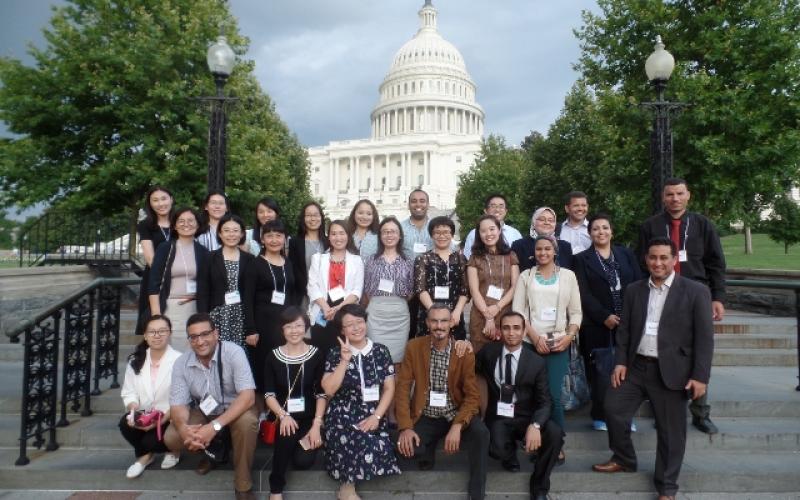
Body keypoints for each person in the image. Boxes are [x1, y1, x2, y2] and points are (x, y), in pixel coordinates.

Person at [592, 237, 714, 500]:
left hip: (672, 371)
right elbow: (624, 331)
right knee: (613, 408)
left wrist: (700, 377)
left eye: (663, 258)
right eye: (652, 258)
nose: (657, 263)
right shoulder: (635, 290)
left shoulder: (695, 292)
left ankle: (667, 488)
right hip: (636, 367)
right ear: (646, 260)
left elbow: (705, 339)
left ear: (673, 261)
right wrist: (621, 362)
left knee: (671, 433)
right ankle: (624, 458)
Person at [637, 177, 726, 435]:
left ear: (688, 195)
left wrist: (718, 297)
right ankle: (662, 408)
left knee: (698, 351)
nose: (674, 199)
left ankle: (700, 411)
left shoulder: (703, 226)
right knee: (662, 351)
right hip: (660, 294)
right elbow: (640, 262)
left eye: (679, 194)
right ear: (663, 198)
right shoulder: (650, 226)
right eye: (669, 194)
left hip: (695, 296)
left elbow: (716, 264)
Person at [395, 303, 490, 500]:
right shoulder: (414, 347)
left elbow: (473, 397)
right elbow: (402, 389)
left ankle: (477, 491)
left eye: (444, 321)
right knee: (407, 449)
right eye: (435, 321)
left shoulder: (463, 351)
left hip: (454, 411)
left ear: (451, 323)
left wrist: (457, 426)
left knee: (481, 433)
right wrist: (405, 427)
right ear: (427, 323)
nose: (439, 326)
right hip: (427, 414)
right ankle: (427, 447)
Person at [165, 313, 259, 500]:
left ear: (216, 334)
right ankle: (213, 453)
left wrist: (214, 427)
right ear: (189, 340)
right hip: (205, 410)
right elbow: (178, 406)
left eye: (205, 334)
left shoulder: (233, 352)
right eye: (194, 337)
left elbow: (248, 397)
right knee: (172, 437)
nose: (200, 341)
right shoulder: (181, 363)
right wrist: (184, 429)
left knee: (247, 422)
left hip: (237, 408)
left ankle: (242, 485)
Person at [475, 312, 563, 500]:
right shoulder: (489, 352)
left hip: (526, 416)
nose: (511, 333)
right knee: (496, 449)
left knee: (555, 434)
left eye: (516, 328)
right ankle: (509, 454)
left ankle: (539, 488)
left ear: (524, 332)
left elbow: (546, 401)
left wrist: (536, 425)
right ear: (500, 330)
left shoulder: (536, 362)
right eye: (506, 328)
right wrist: (463, 346)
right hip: (499, 416)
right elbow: (470, 367)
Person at [512, 235, 581, 465]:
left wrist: (569, 337)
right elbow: (518, 310)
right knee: (531, 395)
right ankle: (535, 442)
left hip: (558, 343)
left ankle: (557, 444)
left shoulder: (568, 276)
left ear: (555, 251)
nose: (543, 253)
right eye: (539, 249)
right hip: (531, 344)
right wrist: (533, 336)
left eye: (547, 249)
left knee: (552, 395)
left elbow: (576, 312)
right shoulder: (526, 275)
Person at [321, 304, 400, 500]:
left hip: (373, 411)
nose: (356, 328)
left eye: (360, 322)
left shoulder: (381, 351)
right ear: (342, 330)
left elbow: (389, 388)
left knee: (374, 443)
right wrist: (345, 360)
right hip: (342, 411)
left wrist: (377, 416)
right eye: (349, 324)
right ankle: (348, 489)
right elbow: (329, 389)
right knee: (352, 436)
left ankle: (348, 486)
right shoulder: (334, 353)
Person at [573, 214, 643, 431]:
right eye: (595, 229)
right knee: (601, 372)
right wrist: (604, 316)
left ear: (612, 231)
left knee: (627, 372)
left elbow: (638, 283)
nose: (601, 232)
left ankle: (625, 416)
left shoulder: (626, 254)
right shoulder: (581, 259)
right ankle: (601, 415)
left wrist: (629, 315)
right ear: (589, 233)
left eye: (605, 228)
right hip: (597, 325)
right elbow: (582, 293)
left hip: (628, 322)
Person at [263, 307, 327, 499]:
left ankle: (307, 440)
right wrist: (283, 415)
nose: (294, 330)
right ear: (282, 330)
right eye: (288, 326)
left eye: (298, 325)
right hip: (284, 416)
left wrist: (317, 424)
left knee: (303, 461)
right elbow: (268, 395)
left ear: (306, 327)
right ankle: (275, 491)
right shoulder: (272, 356)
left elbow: (321, 394)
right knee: (286, 436)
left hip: (309, 418)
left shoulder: (316, 354)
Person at [119, 315, 182, 478]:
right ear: (145, 335)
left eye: (162, 331)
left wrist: (160, 421)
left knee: (150, 441)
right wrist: (133, 408)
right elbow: (129, 391)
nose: (157, 335)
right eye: (152, 331)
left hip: (169, 416)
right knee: (125, 423)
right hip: (145, 415)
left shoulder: (179, 360)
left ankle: (172, 450)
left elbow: (181, 398)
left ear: (169, 333)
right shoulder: (136, 360)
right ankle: (146, 456)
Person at [244, 219, 299, 395]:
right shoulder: (255, 263)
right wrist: (250, 329)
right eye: (269, 236)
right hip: (263, 326)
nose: (274, 240)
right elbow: (247, 298)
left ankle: (282, 406)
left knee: (283, 365)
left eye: (278, 235)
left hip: (285, 326)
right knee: (263, 367)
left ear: (284, 238)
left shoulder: (287, 263)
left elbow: (290, 294)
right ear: (262, 239)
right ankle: (263, 411)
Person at [149, 207, 210, 352]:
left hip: (195, 308)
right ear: (175, 225)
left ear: (197, 224)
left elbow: (206, 284)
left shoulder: (203, 251)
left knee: (195, 350)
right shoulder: (165, 248)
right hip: (172, 308)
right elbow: (154, 282)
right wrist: (156, 315)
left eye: (190, 220)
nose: (186, 224)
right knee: (173, 352)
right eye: (181, 221)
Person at [197, 214, 255, 349]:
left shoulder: (250, 259)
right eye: (226, 230)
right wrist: (203, 321)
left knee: (240, 356)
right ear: (220, 234)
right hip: (217, 316)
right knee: (217, 354)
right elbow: (203, 291)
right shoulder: (209, 258)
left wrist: (252, 327)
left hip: (241, 317)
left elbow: (251, 294)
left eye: (235, 231)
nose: (231, 235)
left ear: (242, 234)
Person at [307, 220, 364, 354]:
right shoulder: (318, 258)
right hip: (322, 312)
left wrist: (338, 308)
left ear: (348, 236)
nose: (338, 238)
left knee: (344, 354)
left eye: (341, 233)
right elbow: (312, 286)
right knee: (321, 354)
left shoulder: (357, 260)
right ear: (329, 236)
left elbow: (357, 290)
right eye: (333, 234)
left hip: (346, 311)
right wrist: (326, 308)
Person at [362, 216, 414, 363]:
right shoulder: (371, 260)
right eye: (385, 232)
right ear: (380, 236)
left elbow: (411, 291)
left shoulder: (408, 261)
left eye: (393, 231)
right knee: (375, 357)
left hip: (400, 315)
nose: (389, 235)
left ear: (400, 235)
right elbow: (366, 289)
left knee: (398, 360)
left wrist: (395, 301)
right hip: (376, 314)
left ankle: (394, 387)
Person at [467, 215, 520, 353]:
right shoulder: (474, 258)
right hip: (480, 315)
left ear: (499, 230)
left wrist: (497, 307)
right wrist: (488, 316)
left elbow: (515, 286)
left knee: (504, 357)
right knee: (480, 359)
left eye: (492, 229)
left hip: (505, 314)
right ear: (479, 234)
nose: (488, 234)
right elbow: (474, 290)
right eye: (483, 231)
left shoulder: (511, 256)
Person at [413, 216, 469, 339]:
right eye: (437, 232)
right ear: (432, 235)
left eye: (446, 232)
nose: (441, 236)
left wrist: (457, 311)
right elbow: (420, 289)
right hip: (429, 315)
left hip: (454, 316)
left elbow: (465, 290)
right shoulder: (423, 259)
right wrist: (435, 314)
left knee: (455, 353)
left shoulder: (461, 259)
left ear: (452, 234)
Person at [135, 186, 174, 336]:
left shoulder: (180, 222)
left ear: (171, 199)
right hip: (155, 278)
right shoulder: (145, 225)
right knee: (154, 321)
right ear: (150, 204)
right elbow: (150, 257)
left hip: (179, 278)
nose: (160, 203)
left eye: (164, 199)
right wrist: (164, 276)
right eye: (155, 200)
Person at [288, 201, 328, 308]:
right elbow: (294, 271)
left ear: (321, 217)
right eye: (309, 215)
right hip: (304, 296)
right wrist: (309, 291)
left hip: (327, 296)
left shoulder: (329, 242)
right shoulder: (295, 242)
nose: (313, 219)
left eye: (316, 215)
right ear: (303, 219)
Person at [512, 207, 574, 273]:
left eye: (551, 220)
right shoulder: (519, 245)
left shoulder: (565, 246)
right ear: (534, 222)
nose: (547, 222)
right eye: (542, 219)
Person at [462, 194, 523, 260]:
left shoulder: (515, 233)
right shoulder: (474, 234)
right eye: (493, 206)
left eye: (501, 206)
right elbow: (468, 259)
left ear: (506, 211)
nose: (497, 209)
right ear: (485, 210)